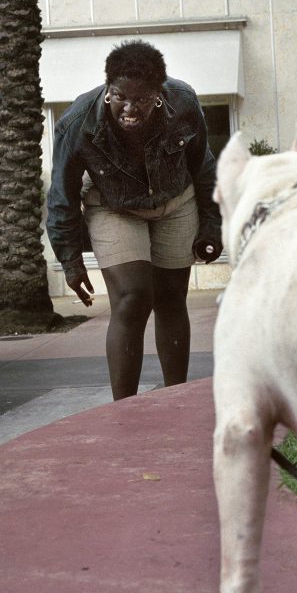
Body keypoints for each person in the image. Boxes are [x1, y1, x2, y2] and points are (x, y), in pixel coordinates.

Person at [46, 40, 222, 401]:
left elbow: (203, 167)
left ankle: (176, 398)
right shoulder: (77, 123)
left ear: (158, 93)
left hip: (176, 202)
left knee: (171, 298)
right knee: (133, 296)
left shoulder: (184, 102)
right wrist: (70, 262)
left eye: (140, 99)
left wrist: (211, 224)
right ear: (108, 87)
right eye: (119, 96)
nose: (128, 108)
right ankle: (124, 409)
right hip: (113, 207)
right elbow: (62, 194)